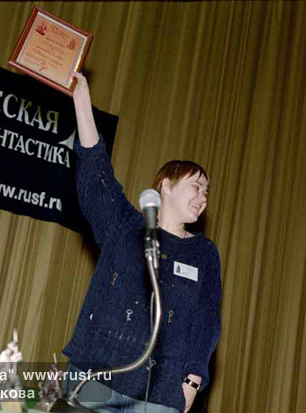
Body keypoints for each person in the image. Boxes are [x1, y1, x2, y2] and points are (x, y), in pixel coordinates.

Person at [62, 73, 221, 413]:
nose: (203, 197)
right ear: (166, 185)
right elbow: (95, 170)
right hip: (96, 380)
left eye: (207, 192)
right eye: (196, 186)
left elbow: (206, 321)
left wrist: (192, 383)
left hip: (160, 397)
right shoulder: (125, 226)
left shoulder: (204, 253)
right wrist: (81, 99)